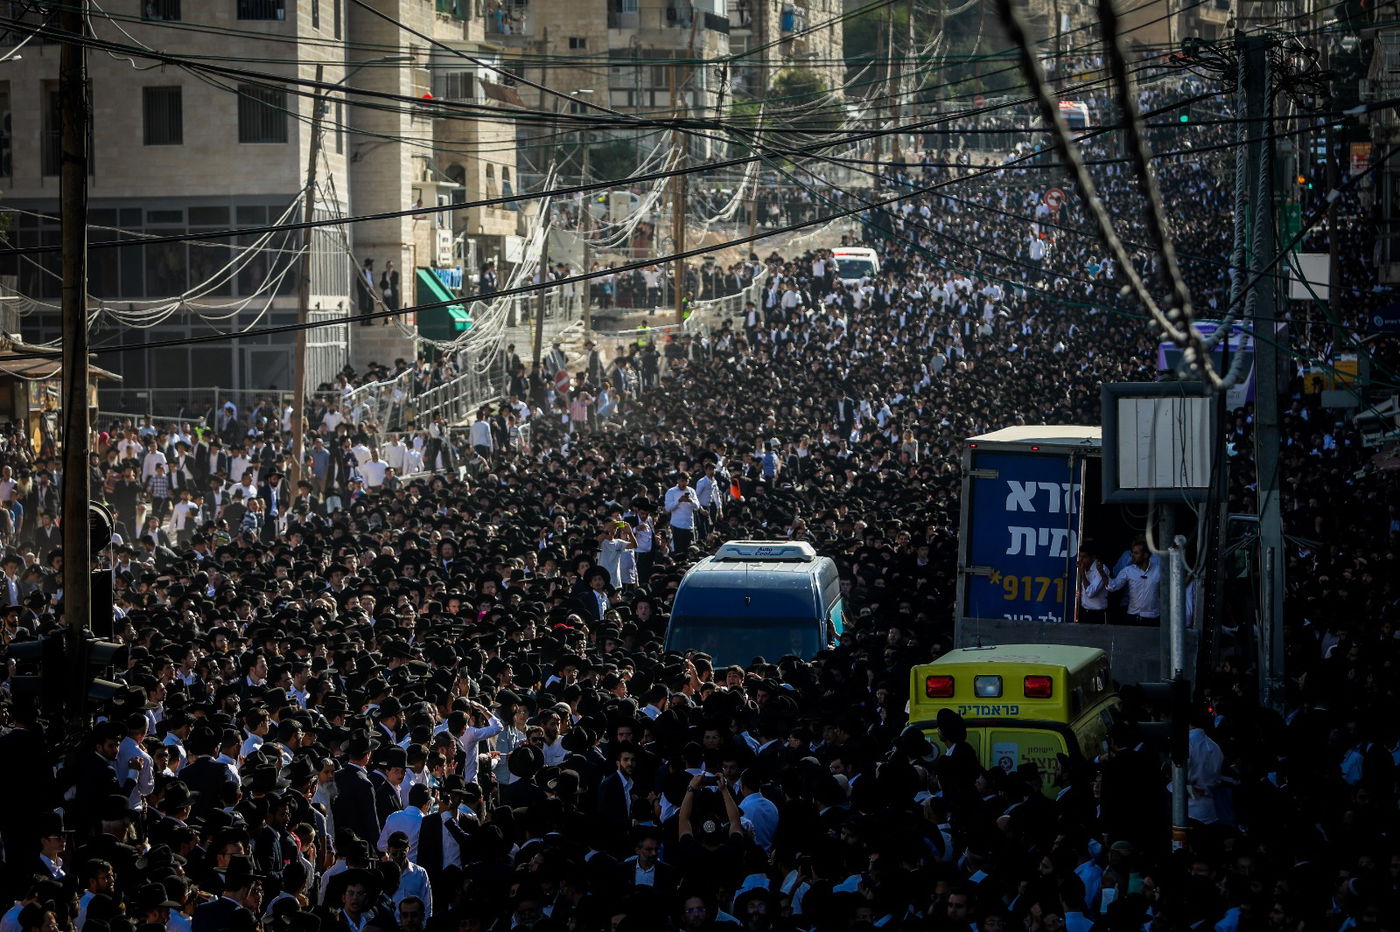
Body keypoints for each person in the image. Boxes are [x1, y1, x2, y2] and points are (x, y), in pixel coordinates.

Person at [1106, 541, 1161, 625]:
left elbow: (1170, 589)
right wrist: (1102, 573)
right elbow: (1113, 586)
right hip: (1133, 617)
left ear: (1145, 555)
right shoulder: (1128, 570)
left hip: (1153, 618)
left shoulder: (1159, 570)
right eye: (1132, 553)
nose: (1132, 555)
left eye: (1136, 553)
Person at [664, 472, 699, 556]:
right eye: (682, 481)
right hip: (677, 526)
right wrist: (679, 501)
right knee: (678, 551)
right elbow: (668, 508)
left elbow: (697, 506)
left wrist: (690, 501)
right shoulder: (671, 492)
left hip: (689, 525)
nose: (684, 483)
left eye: (686, 481)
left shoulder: (691, 491)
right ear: (678, 481)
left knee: (689, 551)